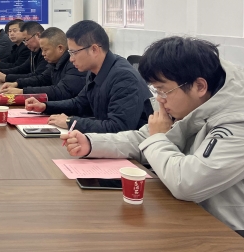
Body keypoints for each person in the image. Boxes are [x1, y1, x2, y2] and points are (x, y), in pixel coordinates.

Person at [61, 36, 244, 235]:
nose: (160, 99)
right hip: (185, 213)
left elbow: (187, 183)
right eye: (156, 90)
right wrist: (91, 143)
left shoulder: (236, 122)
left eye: (163, 91)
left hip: (226, 231)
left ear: (199, 86)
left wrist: (158, 139)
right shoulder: (193, 101)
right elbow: (144, 138)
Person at [25, 20, 152, 133]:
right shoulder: (95, 70)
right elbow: (79, 103)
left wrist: (70, 122)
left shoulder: (123, 77)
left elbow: (118, 127)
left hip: (134, 148)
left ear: (94, 49)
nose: (71, 59)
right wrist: (45, 106)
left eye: (73, 52)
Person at [0, 27, 86, 100]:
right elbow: (42, 79)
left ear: (60, 48)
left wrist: (23, 91)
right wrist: (17, 83)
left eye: (45, 50)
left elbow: (61, 91)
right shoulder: (55, 62)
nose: (43, 54)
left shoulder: (74, 64)